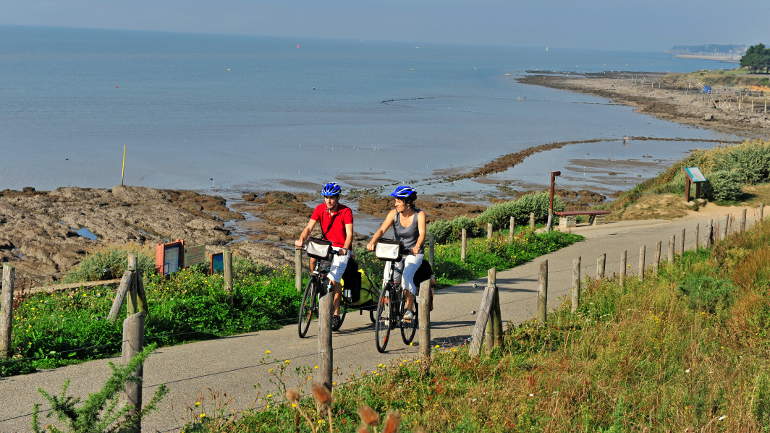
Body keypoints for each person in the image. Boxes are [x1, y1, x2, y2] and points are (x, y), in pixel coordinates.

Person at [295, 182, 353, 330]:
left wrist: (345, 248)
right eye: (326, 197)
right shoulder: (320, 209)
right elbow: (309, 227)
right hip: (326, 245)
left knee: (334, 280)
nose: (328, 200)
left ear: (338, 197)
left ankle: (335, 314)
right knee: (313, 258)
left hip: (341, 247)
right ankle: (314, 281)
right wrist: (302, 239)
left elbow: (349, 234)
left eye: (332, 197)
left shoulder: (346, 211)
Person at [366, 186, 426, 323]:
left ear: (408, 203)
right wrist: (372, 242)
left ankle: (409, 310)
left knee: (406, 277)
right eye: (395, 201)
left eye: (398, 201)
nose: (395, 204)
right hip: (397, 252)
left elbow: (422, 233)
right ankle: (391, 311)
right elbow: (382, 229)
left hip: (413, 253)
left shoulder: (419, 214)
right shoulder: (394, 214)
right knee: (388, 280)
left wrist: (417, 246)